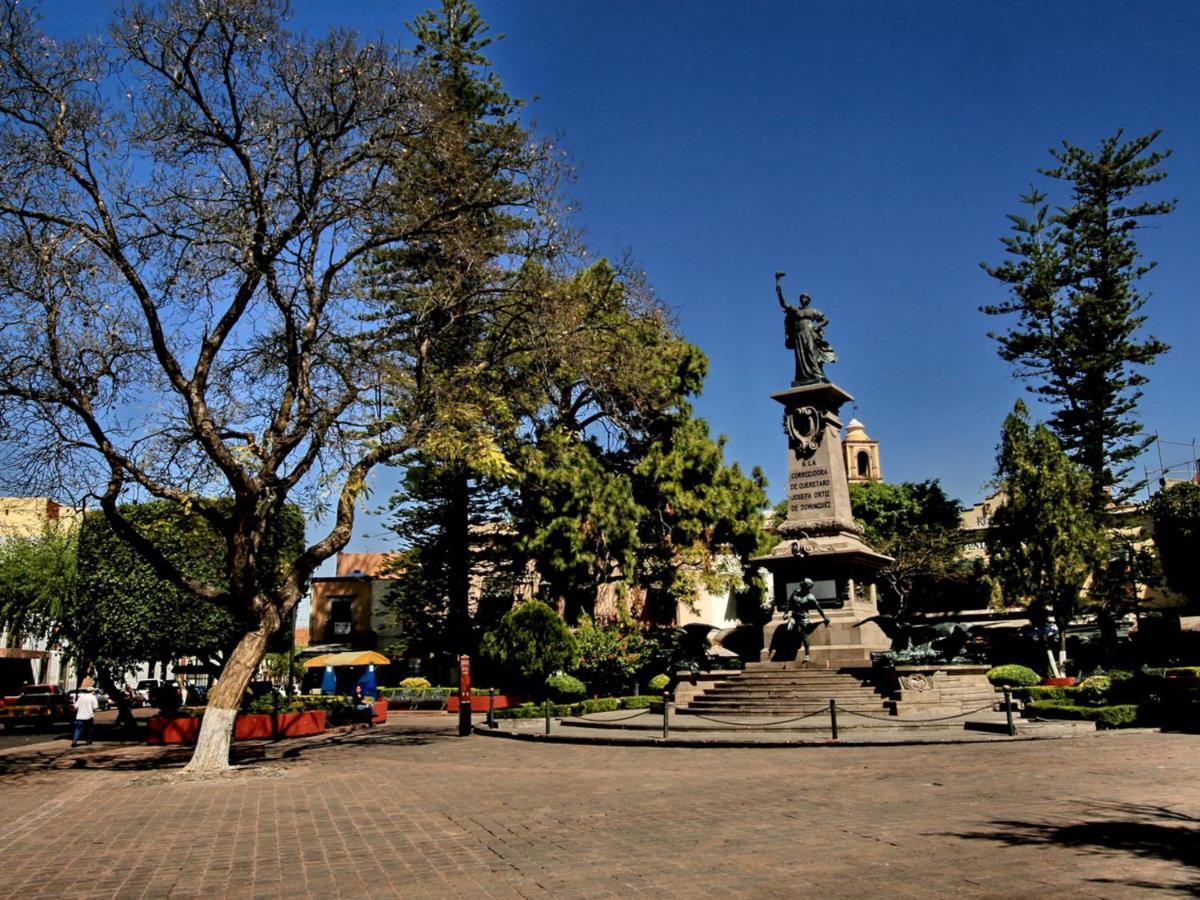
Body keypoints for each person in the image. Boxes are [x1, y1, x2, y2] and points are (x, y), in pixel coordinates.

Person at [775, 272, 836, 385]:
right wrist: (779, 291)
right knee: (800, 355)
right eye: (802, 297)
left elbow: (825, 320)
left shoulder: (813, 311)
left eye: (805, 297)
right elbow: (784, 304)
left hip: (809, 332)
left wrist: (817, 326)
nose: (803, 299)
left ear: (808, 300)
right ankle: (802, 377)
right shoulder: (796, 310)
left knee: (811, 351)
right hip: (798, 334)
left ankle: (817, 374)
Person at [786, 578, 831, 662]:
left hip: (804, 618)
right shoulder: (796, 591)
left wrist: (824, 617)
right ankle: (793, 643)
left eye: (803, 582)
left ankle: (807, 654)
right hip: (794, 616)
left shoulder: (811, 597)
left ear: (806, 586)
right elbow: (789, 602)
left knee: (804, 636)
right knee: (789, 629)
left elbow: (819, 608)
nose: (801, 582)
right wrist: (785, 613)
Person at [71, 682, 99, 747]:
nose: (94, 692)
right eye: (94, 691)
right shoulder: (93, 697)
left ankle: (75, 740)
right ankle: (88, 740)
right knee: (89, 729)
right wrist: (92, 710)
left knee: (78, 729)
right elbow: (95, 707)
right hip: (89, 716)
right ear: (92, 691)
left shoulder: (81, 697)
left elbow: (75, 706)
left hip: (80, 716)